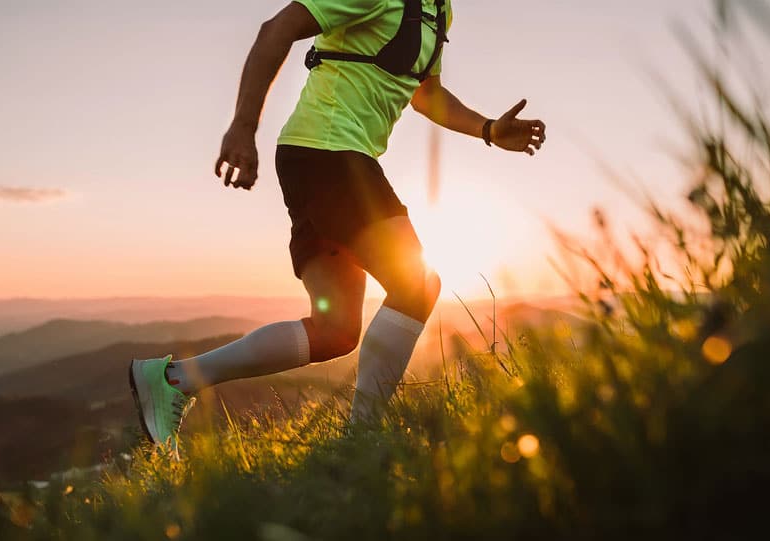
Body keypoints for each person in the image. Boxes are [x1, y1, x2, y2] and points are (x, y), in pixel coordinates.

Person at [129, 0, 546, 450]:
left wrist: (487, 129)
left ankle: (172, 379)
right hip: (327, 152)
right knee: (418, 285)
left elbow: (425, 92)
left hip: (331, 158)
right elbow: (278, 28)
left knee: (336, 332)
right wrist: (243, 127)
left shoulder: (439, 9)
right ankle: (361, 442)